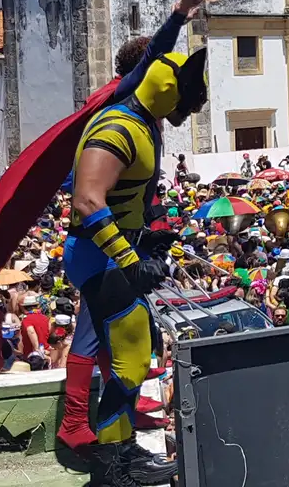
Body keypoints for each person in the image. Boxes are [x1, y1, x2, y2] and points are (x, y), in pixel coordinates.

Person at [67, 46, 209, 485]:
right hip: (101, 258)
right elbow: (88, 199)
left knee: (134, 353)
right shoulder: (119, 126)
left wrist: (145, 237)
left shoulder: (141, 125)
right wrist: (130, 260)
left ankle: (123, 451)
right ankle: (114, 465)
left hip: (113, 253)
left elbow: (121, 201)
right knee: (129, 361)